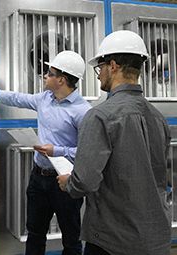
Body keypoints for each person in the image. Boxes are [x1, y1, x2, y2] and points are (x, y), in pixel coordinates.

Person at [57, 30, 171, 255]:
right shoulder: (158, 118)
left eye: (100, 68)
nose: (99, 75)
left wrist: (68, 183)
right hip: (155, 238)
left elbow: (85, 182)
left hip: (112, 241)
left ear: (113, 65)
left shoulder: (100, 116)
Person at [0, 51, 91, 255]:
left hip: (66, 182)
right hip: (38, 178)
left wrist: (56, 150)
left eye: (49, 73)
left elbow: (87, 152)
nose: (45, 76)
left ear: (61, 80)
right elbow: (16, 98)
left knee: (71, 239)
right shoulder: (44, 99)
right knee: (35, 233)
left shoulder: (83, 111)